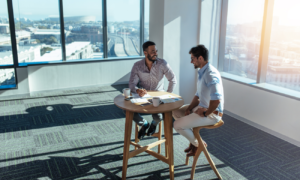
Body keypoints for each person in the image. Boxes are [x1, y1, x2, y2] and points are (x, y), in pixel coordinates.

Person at [173, 45, 224, 156]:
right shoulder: (202, 72)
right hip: (201, 107)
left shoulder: (211, 74)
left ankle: (198, 144)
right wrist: (190, 108)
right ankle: (193, 142)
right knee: (177, 112)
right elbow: (198, 95)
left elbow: (216, 101)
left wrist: (205, 113)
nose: (191, 62)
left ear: (200, 58)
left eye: (193, 59)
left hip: (212, 114)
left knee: (177, 125)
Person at [129, 41, 177, 139]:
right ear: (145, 53)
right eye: (152, 51)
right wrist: (137, 90)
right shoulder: (137, 65)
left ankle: (154, 124)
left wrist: (167, 95)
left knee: (158, 116)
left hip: (158, 97)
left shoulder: (162, 63)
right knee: (127, 110)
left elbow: (173, 80)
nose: (155, 53)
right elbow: (132, 84)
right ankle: (144, 124)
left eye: (156, 51)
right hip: (142, 97)